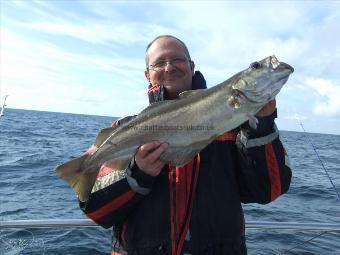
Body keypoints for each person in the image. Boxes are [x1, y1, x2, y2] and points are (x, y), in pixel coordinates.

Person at [80, 35, 292, 255]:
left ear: (191, 66)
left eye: (177, 60)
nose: (169, 67)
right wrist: (137, 175)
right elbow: (95, 210)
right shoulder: (120, 129)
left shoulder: (239, 128)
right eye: (159, 63)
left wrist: (262, 128)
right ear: (147, 74)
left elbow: (268, 191)